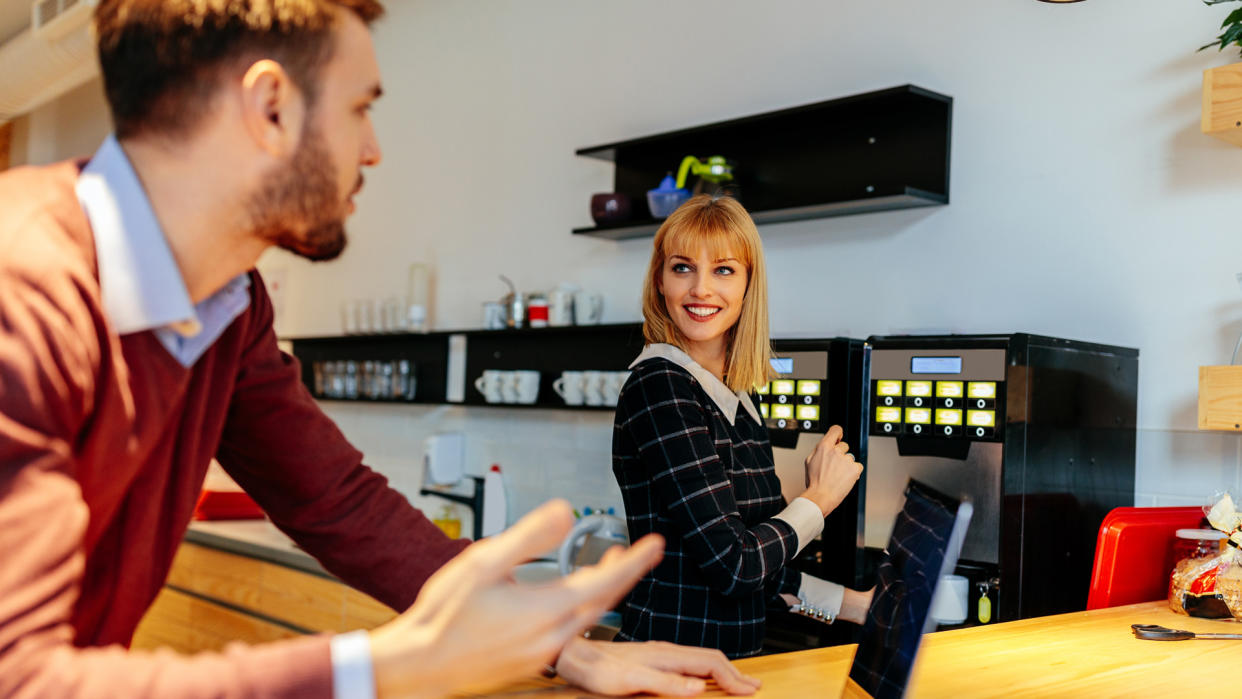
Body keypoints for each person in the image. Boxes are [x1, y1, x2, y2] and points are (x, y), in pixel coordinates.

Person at [0, 2, 764, 697]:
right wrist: (384, 665)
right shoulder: (23, 289)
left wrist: (565, 644)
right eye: (360, 108)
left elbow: (334, 497)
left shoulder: (229, 305)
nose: (372, 151)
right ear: (269, 106)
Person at [611, 194, 871, 659]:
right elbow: (735, 567)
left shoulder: (738, 401)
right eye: (682, 268)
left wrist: (859, 608)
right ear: (660, 281)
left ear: (750, 285)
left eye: (724, 270)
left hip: (727, 674)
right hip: (664, 674)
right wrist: (819, 500)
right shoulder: (660, 386)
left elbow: (763, 572)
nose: (700, 290)